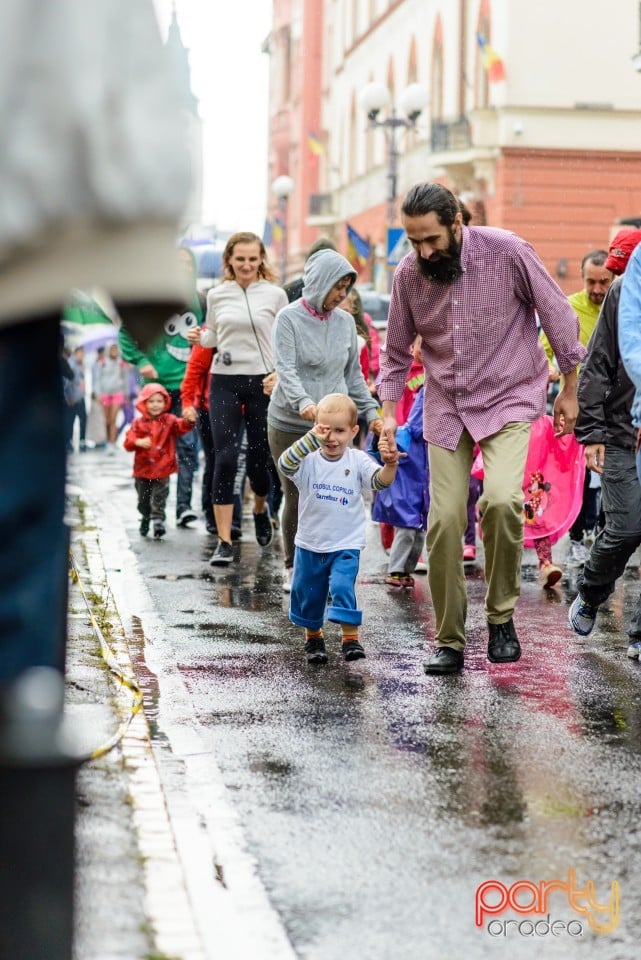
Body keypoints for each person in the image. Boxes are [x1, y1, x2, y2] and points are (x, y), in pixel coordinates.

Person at [378, 182, 585, 675]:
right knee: (445, 519)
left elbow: (558, 315)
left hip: (510, 393)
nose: (424, 251)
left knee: (500, 501)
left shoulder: (507, 250)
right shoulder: (409, 275)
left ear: (456, 222)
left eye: (431, 239)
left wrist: (571, 389)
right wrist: (387, 412)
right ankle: (448, 639)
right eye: (414, 241)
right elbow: (394, 351)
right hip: (446, 402)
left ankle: (500, 618)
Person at [268, 248, 383, 593]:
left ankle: (331, 564)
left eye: (346, 289)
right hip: (290, 420)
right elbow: (285, 370)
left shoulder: (346, 323)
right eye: (337, 287)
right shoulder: (288, 319)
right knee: (297, 493)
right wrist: (304, 403)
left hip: (333, 420)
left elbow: (353, 376)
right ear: (319, 282)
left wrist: (373, 413)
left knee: (333, 494)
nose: (341, 296)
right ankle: (292, 564)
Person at [188, 232, 288, 565]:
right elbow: (215, 334)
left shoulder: (275, 295)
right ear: (229, 260)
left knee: (260, 459)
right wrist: (201, 337)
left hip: (263, 381)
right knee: (224, 458)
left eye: (252, 258)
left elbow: (287, 339)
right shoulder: (217, 295)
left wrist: (281, 373)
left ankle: (260, 508)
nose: (246, 265)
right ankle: (224, 540)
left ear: (262, 260)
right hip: (224, 380)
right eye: (240, 258)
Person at [278, 393, 399, 663]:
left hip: (345, 543)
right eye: (325, 430)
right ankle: (314, 638)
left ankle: (350, 639)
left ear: (354, 431)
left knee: (343, 587)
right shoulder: (308, 461)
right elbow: (285, 463)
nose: (332, 438)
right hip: (310, 542)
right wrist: (310, 439)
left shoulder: (357, 461)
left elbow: (379, 482)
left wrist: (390, 465)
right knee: (309, 594)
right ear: (316, 429)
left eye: (340, 431)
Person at [569, 229, 641, 655]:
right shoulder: (623, 294)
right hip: (620, 432)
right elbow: (596, 365)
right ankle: (592, 592)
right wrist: (592, 432)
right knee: (627, 527)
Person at [119, 246, 204, 528]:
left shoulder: (201, 301)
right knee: (152, 449)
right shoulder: (154, 298)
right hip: (155, 391)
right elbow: (126, 334)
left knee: (188, 447)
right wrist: (142, 361)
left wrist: (203, 337)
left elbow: (215, 337)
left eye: (186, 264)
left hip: (188, 387)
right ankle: (152, 508)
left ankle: (182, 507)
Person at [541, 249, 613, 564]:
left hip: (615, 405)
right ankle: (575, 539)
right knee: (579, 475)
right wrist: (547, 368)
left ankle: (603, 533)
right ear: (582, 278)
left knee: (612, 472)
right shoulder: (569, 308)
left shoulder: (622, 306)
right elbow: (542, 346)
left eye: (603, 282)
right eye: (591, 282)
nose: (597, 289)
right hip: (577, 406)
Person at [372, 385, 428, 589]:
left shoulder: (429, 443)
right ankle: (396, 569)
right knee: (406, 531)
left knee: (418, 533)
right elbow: (377, 453)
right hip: (404, 494)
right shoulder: (404, 435)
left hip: (419, 497)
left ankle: (406, 570)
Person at [123, 383, 194, 540]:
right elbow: (128, 441)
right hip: (142, 470)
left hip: (163, 468)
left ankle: (158, 520)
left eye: (159, 401)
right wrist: (138, 442)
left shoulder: (169, 420)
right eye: (151, 401)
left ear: (166, 403)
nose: (156, 405)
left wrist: (189, 421)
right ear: (144, 403)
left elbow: (181, 426)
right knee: (143, 500)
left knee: (159, 496)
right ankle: (146, 516)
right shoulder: (138, 423)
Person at [93, 342, 129, 454]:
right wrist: (98, 394)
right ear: (108, 350)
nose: (114, 351)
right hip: (105, 394)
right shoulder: (102, 362)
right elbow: (97, 379)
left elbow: (126, 379)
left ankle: (112, 443)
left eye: (116, 349)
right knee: (107, 420)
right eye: (112, 349)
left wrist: (126, 395)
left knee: (113, 419)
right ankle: (108, 441)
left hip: (118, 393)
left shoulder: (121, 363)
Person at [64, 346, 88, 452]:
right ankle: (69, 442)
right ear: (75, 353)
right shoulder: (71, 364)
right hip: (72, 398)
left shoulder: (81, 364)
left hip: (80, 397)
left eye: (83, 354)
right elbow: (67, 382)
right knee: (71, 421)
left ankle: (82, 441)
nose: (82, 356)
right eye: (80, 353)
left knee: (83, 419)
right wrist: (69, 396)